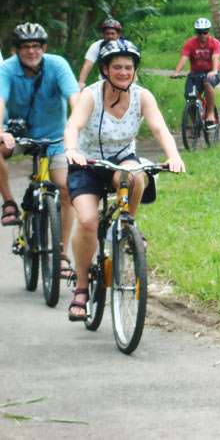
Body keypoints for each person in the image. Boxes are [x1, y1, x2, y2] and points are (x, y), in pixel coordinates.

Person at [62, 39, 185, 321]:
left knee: (136, 175)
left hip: (122, 159)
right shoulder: (90, 96)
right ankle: (81, 287)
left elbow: (159, 128)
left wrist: (174, 155)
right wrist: (71, 150)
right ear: (105, 69)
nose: (123, 72)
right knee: (89, 222)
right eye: (117, 67)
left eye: (128, 67)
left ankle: (127, 224)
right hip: (87, 162)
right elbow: (74, 126)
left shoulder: (142, 96)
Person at [0, 23, 80, 279]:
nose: (31, 51)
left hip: (55, 137)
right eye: (25, 46)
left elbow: (74, 98)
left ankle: (62, 255)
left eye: (36, 46)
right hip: (17, 135)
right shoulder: (6, 69)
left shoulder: (57, 65)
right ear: (16, 50)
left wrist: (77, 125)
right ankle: (10, 203)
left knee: (66, 188)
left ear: (44, 48)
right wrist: (2, 131)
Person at [170, 18, 220, 127]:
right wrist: (176, 72)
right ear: (196, 32)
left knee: (207, 83)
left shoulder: (215, 43)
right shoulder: (190, 43)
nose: (202, 35)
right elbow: (184, 58)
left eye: (205, 32)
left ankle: (210, 113)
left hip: (211, 72)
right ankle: (195, 125)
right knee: (190, 97)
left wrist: (214, 70)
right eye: (199, 32)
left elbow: (215, 57)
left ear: (209, 31)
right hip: (195, 73)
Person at [77, 19, 123, 90]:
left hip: (123, 79)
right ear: (103, 34)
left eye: (112, 33)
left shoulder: (125, 46)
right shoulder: (97, 46)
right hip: (104, 80)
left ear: (118, 35)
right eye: (107, 34)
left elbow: (132, 66)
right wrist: (81, 83)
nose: (110, 36)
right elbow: (87, 65)